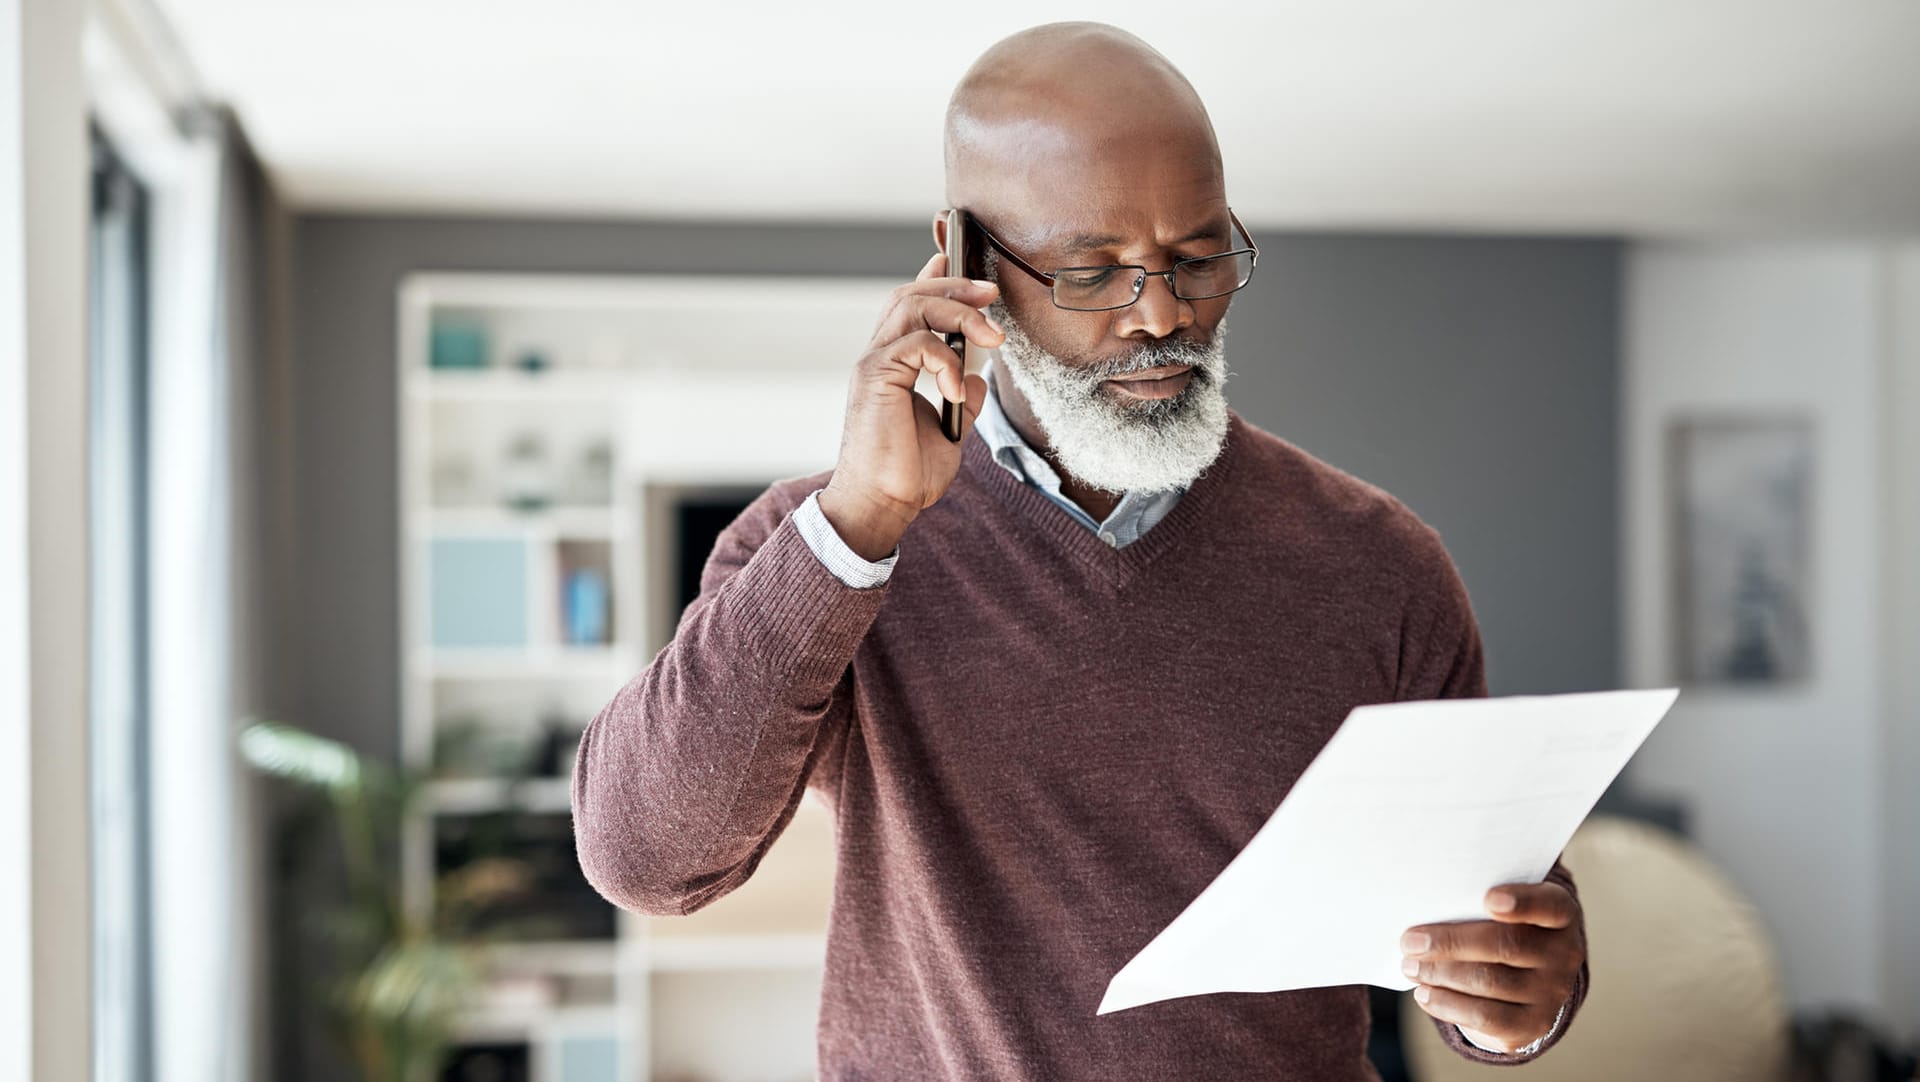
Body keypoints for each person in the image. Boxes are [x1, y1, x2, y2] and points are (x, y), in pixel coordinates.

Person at [572, 21, 1588, 1080]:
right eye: (1092, 272)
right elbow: (647, 859)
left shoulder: (1378, 566)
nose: (1162, 315)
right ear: (968, 261)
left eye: (1198, 256)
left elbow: (1500, 931)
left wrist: (1518, 1002)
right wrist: (860, 522)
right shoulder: (822, 545)